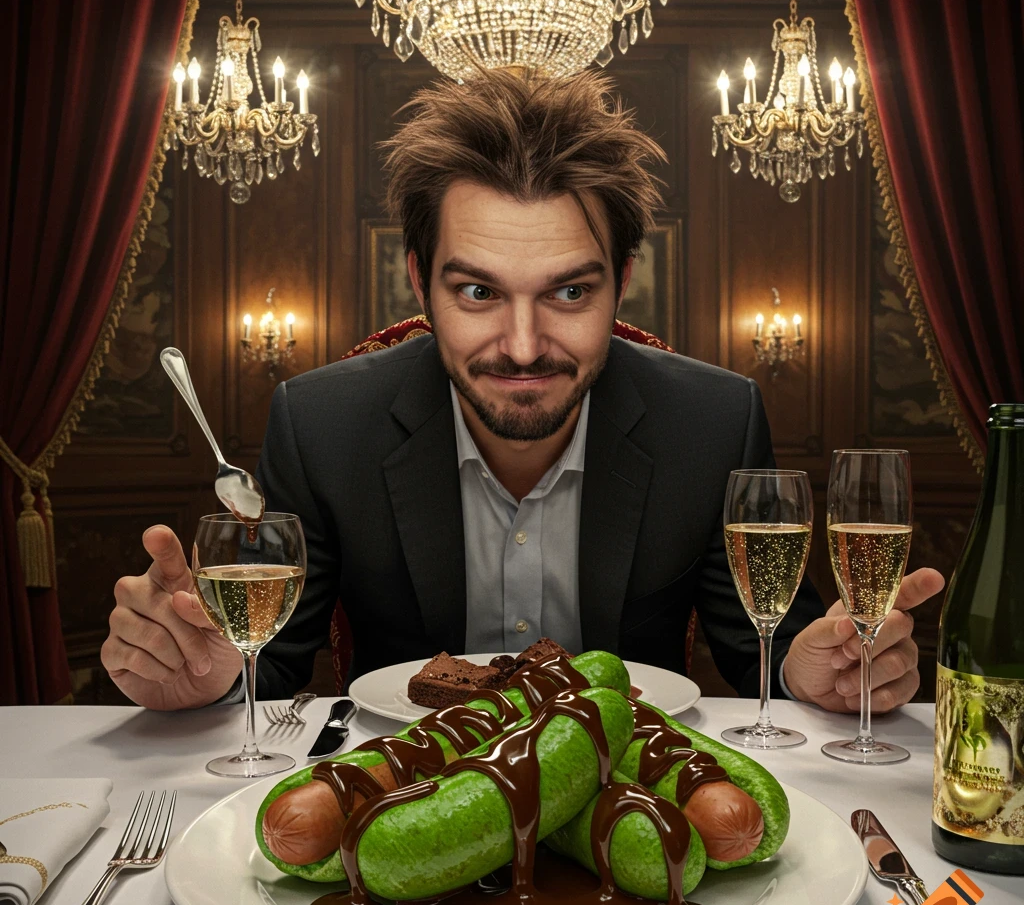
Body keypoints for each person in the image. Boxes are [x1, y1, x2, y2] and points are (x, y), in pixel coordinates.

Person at [101, 70, 943, 713]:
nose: (525, 344)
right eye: (477, 293)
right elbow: (271, 662)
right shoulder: (322, 424)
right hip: (402, 785)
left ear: (622, 283)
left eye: (570, 292)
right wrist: (205, 672)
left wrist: (821, 668)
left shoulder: (715, 422)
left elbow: (767, 641)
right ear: (420, 283)